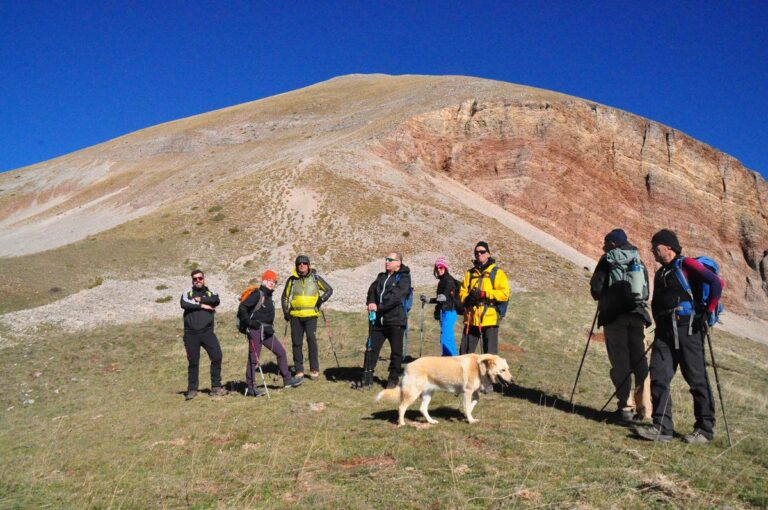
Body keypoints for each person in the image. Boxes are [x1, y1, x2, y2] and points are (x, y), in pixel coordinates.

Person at [634, 229, 723, 444]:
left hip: (688, 329)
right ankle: (662, 428)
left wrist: (708, 311)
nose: (653, 251)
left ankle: (704, 430)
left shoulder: (687, 264)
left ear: (669, 247)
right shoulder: (661, 272)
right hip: (665, 332)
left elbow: (716, 283)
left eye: (656, 247)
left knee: (696, 379)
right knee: (658, 376)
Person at [589, 228, 652, 422]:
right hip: (638, 315)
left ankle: (625, 408)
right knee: (640, 362)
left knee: (621, 361)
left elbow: (596, 288)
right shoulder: (638, 260)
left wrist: (602, 297)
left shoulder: (608, 259)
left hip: (615, 316)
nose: (603, 246)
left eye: (606, 243)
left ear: (614, 244)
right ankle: (646, 410)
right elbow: (646, 292)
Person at [238, 269, 303, 396]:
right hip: (256, 330)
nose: (272, 283)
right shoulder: (258, 294)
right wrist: (250, 323)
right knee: (253, 359)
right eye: (269, 280)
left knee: (281, 352)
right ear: (264, 280)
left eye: (274, 281)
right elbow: (242, 308)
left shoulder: (269, 296)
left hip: (267, 331)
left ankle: (287, 380)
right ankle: (251, 388)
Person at [281, 255, 333, 381]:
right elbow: (284, 297)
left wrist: (321, 300)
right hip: (295, 316)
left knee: (311, 340)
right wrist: (286, 312)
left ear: (308, 265)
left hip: (311, 316)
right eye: (299, 263)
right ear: (296, 266)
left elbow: (329, 290)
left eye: (304, 263)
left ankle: (314, 369)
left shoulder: (315, 278)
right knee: (296, 343)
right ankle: (299, 370)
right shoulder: (292, 280)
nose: (302, 265)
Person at [365, 252, 412, 389]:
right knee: (371, 348)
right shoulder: (381, 277)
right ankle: (367, 376)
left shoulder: (404, 278)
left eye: (390, 260)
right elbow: (371, 292)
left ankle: (393, 379)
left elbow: (397, 297)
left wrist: (379, 307)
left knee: (396, 352)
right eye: (386, 259)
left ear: (398, 262)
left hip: (396, 321)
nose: (387, 262)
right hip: (378, 321)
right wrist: (371, 303)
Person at [180, 269, 227, 400]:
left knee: (217, 356)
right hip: (191, 334)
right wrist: (202, 305)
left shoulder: (210, 291)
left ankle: (216, 387)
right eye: (195, 279)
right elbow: (184, 303)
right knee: (193, 361)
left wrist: (200, 299)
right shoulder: (187, 293)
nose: (198, 281)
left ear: (203, 279)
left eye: (200, 278)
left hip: (207, 332)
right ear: (192, 281)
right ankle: (192, 389)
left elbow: (216, 300)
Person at [458, 241, 510, 355]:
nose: (479, 254)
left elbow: (504, 294)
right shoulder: (469, 273)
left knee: (490, 358)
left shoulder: (497, 273)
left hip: (489, 319)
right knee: (464, 355)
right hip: (471, 319)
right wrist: (467, 299)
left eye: (482, 252)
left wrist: (484, 294)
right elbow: (462, 292)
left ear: (488, 254)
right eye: (476, 252)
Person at [419, 257, 459, 356]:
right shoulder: (442, 280)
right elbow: (440, 298)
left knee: (445, 338)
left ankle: (447, 359)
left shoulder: (449, 280)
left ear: (445, 268)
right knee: (449, 337)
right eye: (437, 268)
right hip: (444, 312)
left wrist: (444, 296)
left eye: (441, 267)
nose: (439, 269)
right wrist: (429, 300)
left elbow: (445, 295)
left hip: (449, 312)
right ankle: (455, 359)